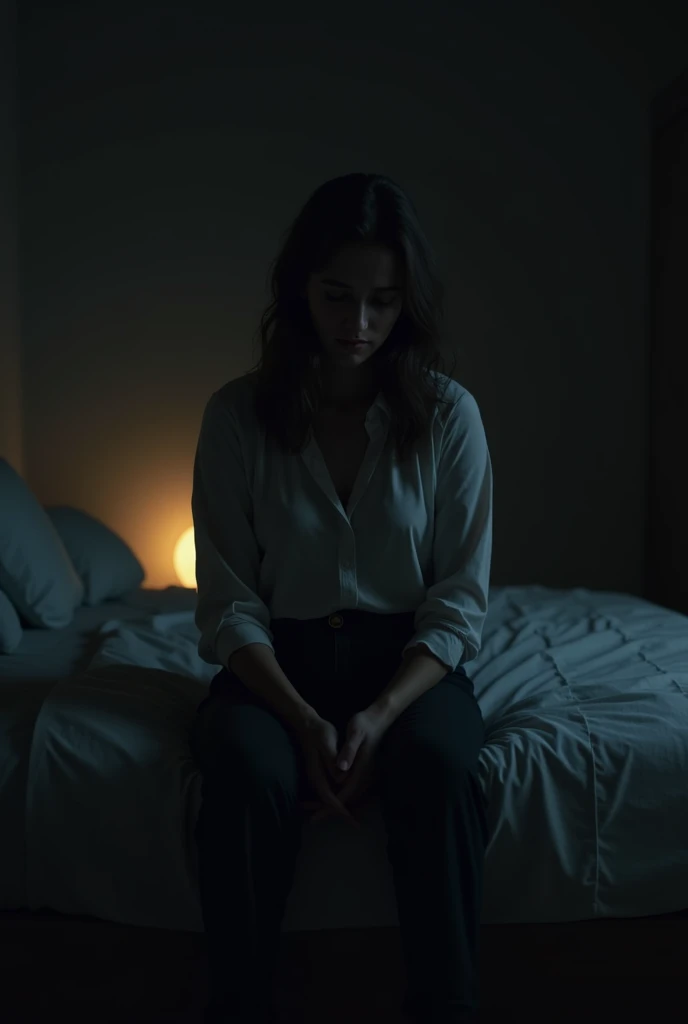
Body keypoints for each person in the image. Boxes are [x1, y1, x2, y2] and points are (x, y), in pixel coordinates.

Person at [188, 172, 493, 1024]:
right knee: (247, 768)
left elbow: (460, 601)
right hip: (273, 664)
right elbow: (229, 603)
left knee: (437, 766)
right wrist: (300, 719)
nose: (358, 325)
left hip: (411, 665)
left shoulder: (447, 417)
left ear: (408, 304)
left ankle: (447, 1006)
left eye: (383, 302)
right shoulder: (237, 418)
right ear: (299, 291)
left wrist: (381, 715)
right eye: (337, 297)